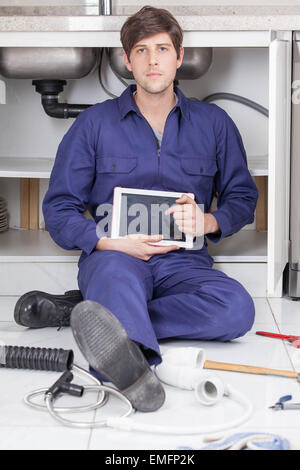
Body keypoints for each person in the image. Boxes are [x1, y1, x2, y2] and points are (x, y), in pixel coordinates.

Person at [14, 6, 258, 411]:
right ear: (127, 61)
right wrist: (106, 242)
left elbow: (243, 197)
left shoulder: (215, 124)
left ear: (179, 57)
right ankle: (134, 369)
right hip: (115, 260)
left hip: (184, 263)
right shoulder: (93, 124)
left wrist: (209, 219)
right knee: (115, 280)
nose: (153, 60)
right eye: (141, 51)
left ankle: (98, 317)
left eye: (163, 48)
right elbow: (59, 209)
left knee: (237, 310)